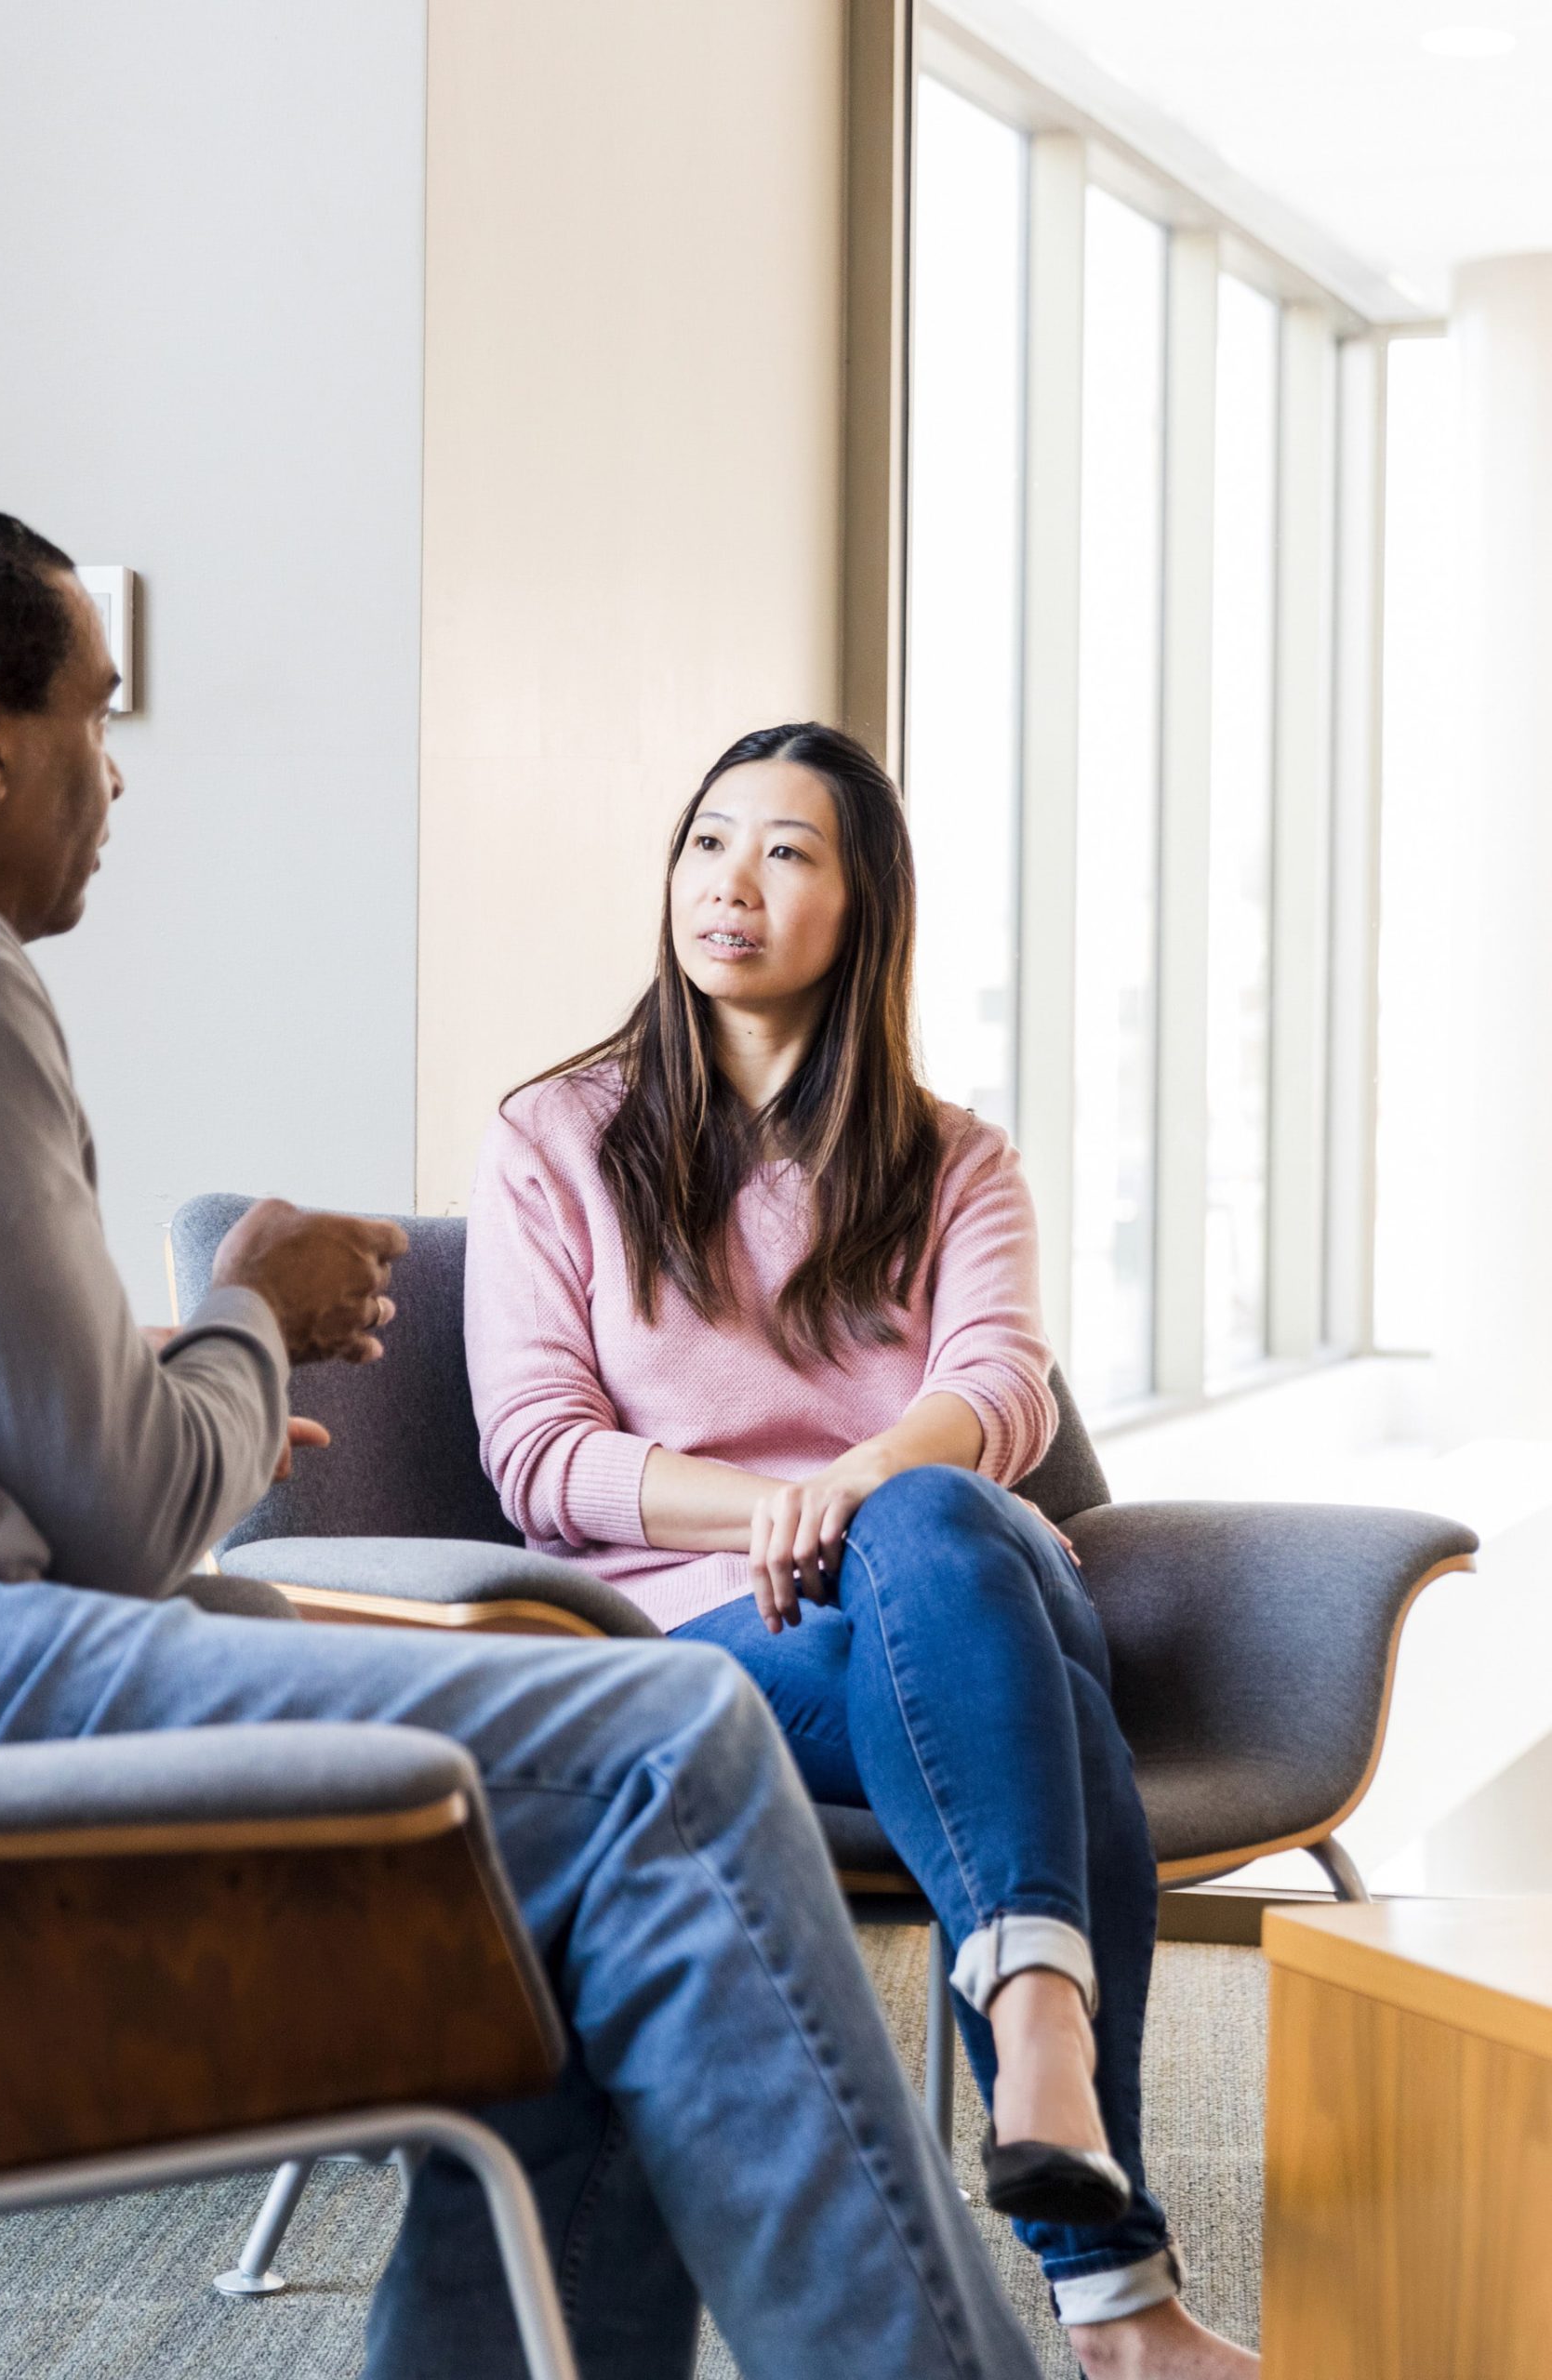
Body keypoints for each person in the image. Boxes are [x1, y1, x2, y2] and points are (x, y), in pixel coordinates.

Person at [0, 496, 1043, 2380]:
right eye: (92, 717)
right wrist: (250, 1308)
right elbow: (125, 1514)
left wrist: (149, 1365)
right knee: (665, 1746)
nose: (113, 777)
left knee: (569, 1891)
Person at [465, 721, 1258, 2380]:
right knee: (1053, 1722)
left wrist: (866, 1483)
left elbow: (1000, 1391)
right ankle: (1105, 2251)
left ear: (863, 904)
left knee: (936, 1518)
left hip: (959, 1578)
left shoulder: (958, 1160)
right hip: (711, 1637)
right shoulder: (556, 1138)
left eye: (785, 852)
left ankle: (1090, 2209)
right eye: (706, 843)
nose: (730, 885)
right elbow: (540, 1455)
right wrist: (773, 1511)